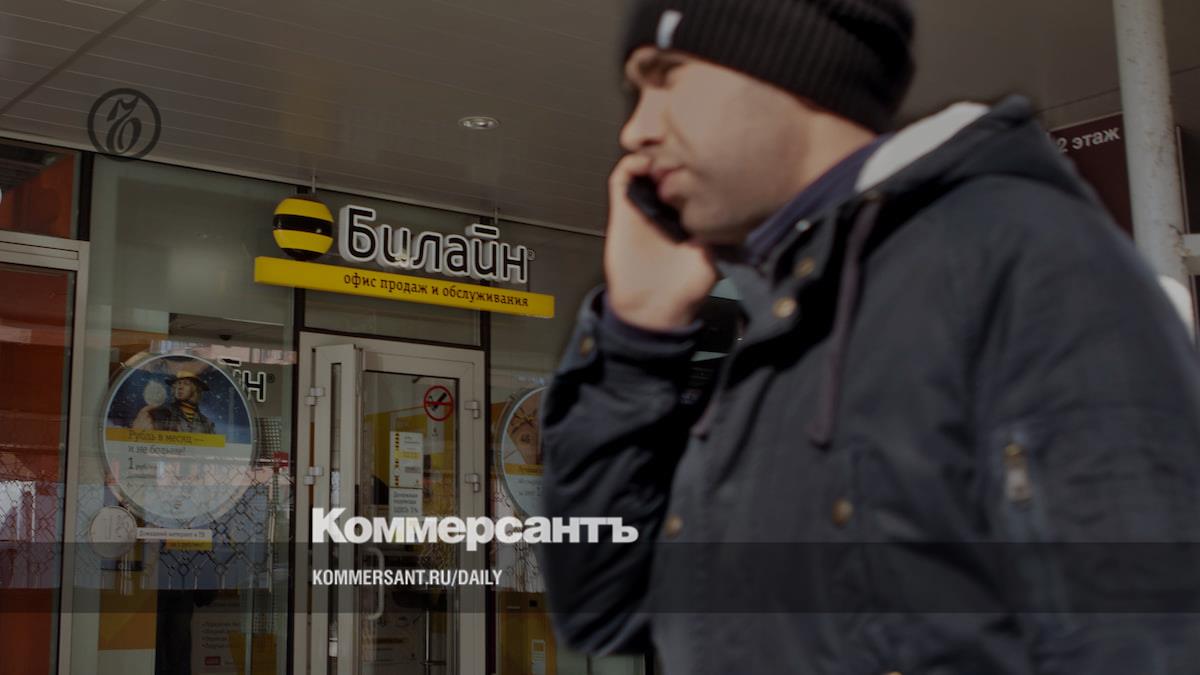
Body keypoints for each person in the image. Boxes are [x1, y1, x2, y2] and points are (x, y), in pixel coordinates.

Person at [538, 1, 1200, 673]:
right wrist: (637, 334)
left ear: (784, 62)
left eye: (667, 76)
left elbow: (1141, 637)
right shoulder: (785, 328)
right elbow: (602, 608)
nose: (636, 129)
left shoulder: (1020, 257)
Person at [133, 370, 215, 434]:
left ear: (195, 389)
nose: (180, 387)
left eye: (186, 383)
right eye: (178, 384)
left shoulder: (207, 423)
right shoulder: (161, 414)